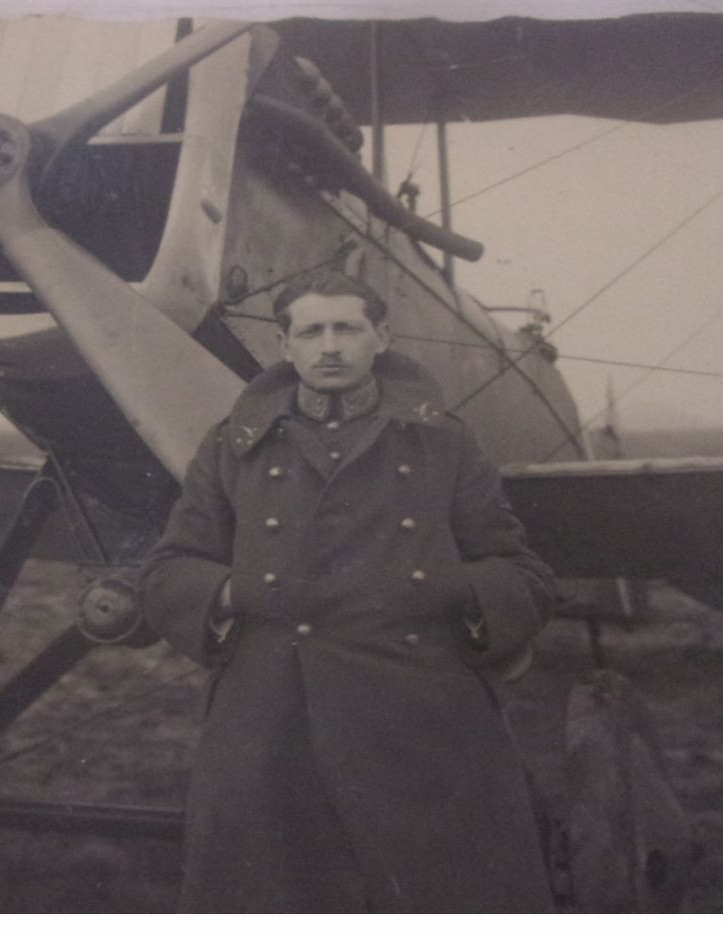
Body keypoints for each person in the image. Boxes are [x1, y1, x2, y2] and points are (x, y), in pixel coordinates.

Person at [140, 271, 558, 912]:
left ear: (381, 337)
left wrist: (448, 589)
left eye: (347, 329)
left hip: (420, 707)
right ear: (285, 345)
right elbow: (171, 568)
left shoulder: (443, 441)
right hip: (271, 710)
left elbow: (519, 571)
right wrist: (238, 591)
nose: (329, 346)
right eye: (311, 331)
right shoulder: (233, 444)